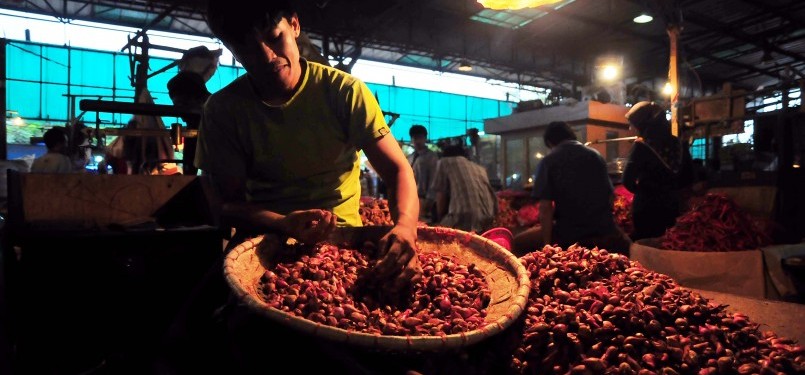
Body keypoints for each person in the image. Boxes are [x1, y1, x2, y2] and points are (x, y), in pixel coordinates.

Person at [512, 121, 631, 255]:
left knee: (518, 242)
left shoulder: (548, 161)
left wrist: (547, 245)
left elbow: (545, 207)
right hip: (604, 228)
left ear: (550, 143)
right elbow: (610, 197)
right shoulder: (596, 156)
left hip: (570, 233)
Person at [622, 101, 694, 241]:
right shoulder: (679, 144)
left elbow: (627, 180)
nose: (632, 128)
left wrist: (644, 191)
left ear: (642, 124)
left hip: (646, 210)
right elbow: (688, 177)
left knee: (646, 251)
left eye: (633, 125)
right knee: (668, 244)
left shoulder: (641, 146)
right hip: (673, 207)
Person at [167, 45, 221, 176]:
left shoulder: (176, 84)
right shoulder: (186, 84)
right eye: (213, 69)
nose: (213, 73)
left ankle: (189, 174)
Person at [430, 144, 497, 233]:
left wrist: (439, 218)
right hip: (488, 219)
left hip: (464, 218)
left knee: (432, 233)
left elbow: (441, 196)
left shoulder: (444, 162)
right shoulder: (479, 168)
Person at [407, 124, 438, 222]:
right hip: (410, 199)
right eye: (415, 138)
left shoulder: (432, 157)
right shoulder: (410, 157)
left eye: (420, 138)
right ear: (411, 139)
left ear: (425, 138)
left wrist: (428, 203)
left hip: (425, 200)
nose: (417, 141)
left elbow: (434, 181)